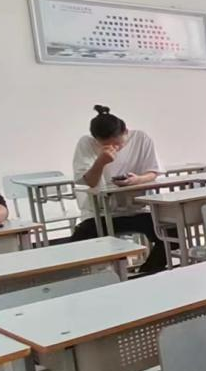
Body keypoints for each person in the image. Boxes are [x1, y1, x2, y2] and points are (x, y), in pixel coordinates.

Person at [70, 105, 165, 273]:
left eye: (117, 143)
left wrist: (137, 180)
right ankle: (95, 278)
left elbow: (153, 172)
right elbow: (90, 182)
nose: (114, 148)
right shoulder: (86, 143)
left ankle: (147, 272)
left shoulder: (140, 138)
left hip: (137, 209)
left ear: (125, 132)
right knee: (77, 244)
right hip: (99, 214)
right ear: (96, 140)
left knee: (170, 232)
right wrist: (100, 162)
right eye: (106, 145)